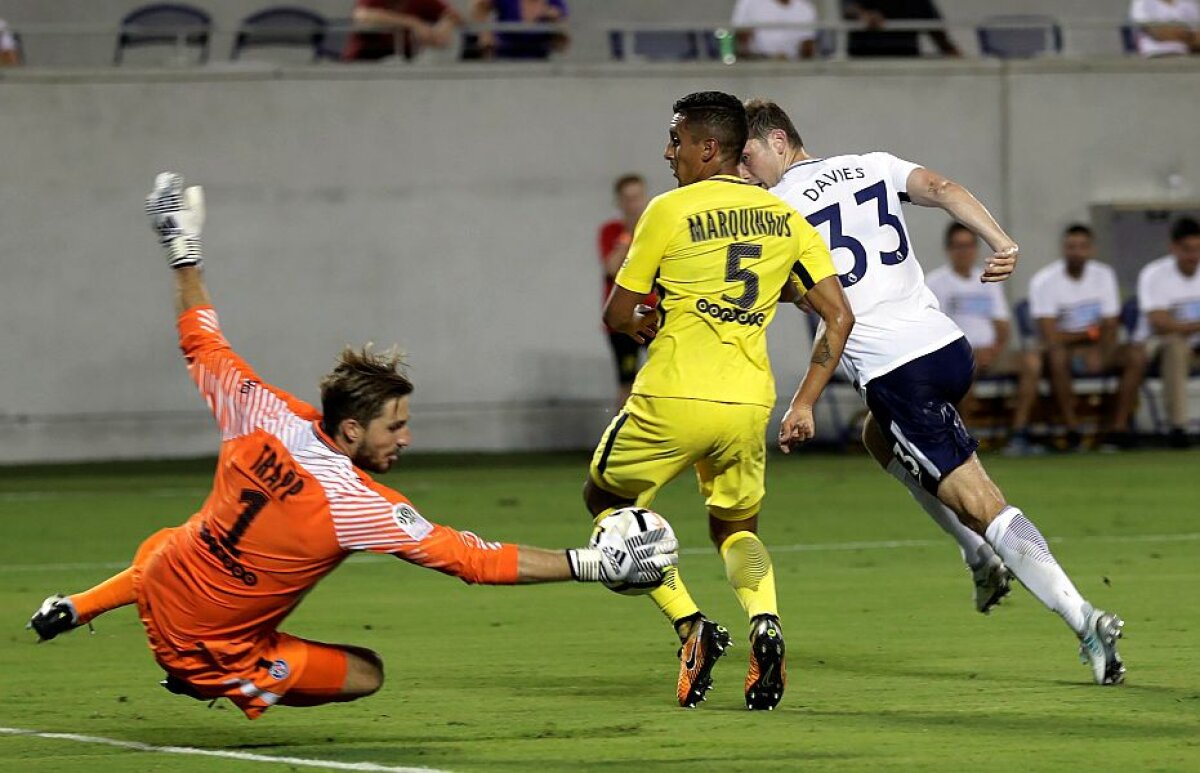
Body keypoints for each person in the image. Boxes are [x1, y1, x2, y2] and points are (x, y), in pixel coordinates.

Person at [26, 173, 678, 719]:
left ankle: (82, 604)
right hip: (210, 645)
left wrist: (183, 250)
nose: (406, 437)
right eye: (394, 427)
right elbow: (471, 559)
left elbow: (200, 336)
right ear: (349, 432)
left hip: (163, 582)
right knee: (366, 672)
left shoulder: (258, 411)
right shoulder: (356, 502)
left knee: (182, 541)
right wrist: (596, 563)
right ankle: (208, 678)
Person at [739, 99, 1125, 685]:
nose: (746, 172)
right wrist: (1002, 241)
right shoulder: (870, 164)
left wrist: (803, 400)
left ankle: (1083, 617)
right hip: (949, 349)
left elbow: (827, 312)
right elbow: (943, 187)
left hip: (900, 371)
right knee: (879, 436)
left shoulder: (777, 209)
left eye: (748, 157)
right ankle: (975, 555)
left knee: (982, 504)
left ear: (776, 140)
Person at [584, 91, 854, 711]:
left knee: (606, 499)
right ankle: (766, 622)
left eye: (676, 140)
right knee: (735, 526)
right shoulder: (784, 217)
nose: (667, 151)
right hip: (748, 403)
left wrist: (646, 321)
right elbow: (837, 314)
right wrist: (804, 401)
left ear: (710, 148)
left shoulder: (667, 210)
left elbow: (617, 312)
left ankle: (691, 624)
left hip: (674, 394)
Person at [1026, 224, 1147, 451]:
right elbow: (1050, 334)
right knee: (1056, 355)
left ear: (1091, 250)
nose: (1077, 252)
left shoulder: (1104, 275)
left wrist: (1099, 347)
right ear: (1064, 249)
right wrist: (1089, 336)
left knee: (1136, 355)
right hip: (1063, 349)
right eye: (1072, 247)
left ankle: (1118, 428)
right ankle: (1072, 428)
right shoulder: (1045, 281)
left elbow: (1111, 324)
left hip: (1099, 347)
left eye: (1083, 247)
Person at [925, 222, 1040, 437]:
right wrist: (968, 353)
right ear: (949, 249)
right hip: (957, 354)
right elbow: (933, 328)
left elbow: (1002, 325)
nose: (964, 252)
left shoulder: (989, 277)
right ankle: (967, 436)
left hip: (991, 353)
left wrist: (993, 350)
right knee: (962, 371)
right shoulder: (935, 282)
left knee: (1031, 363)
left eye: (969, 246)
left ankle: (1019, 430)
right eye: (959, 246)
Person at [1137, 216, 1200, 447]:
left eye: (1198, 249)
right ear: (1173, 247)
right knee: (1175, 346)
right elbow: (1160, 323)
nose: (1194, 256)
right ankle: (1179, 428)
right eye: (1187, 250)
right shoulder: (1155, 275)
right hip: (1157, 347)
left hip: (1195, 348)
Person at [598, 173, 653, 409]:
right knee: (626, 383)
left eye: (638, 197)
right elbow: (611, 268)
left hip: (653, 314)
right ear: (619, 202)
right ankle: (621, 440)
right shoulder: (611, 231)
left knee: (662, 380)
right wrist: (629, 236)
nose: (634, 205)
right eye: (628, 199)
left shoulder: (656, 228)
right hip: (622, 319)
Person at [342, 0, 463, 62]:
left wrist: (446, 25)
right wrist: (412, 23)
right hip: (364, 61)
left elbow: (453, 15)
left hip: (404, 61)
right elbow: (362, 15)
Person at [843, 0, 960, 58]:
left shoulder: (919, 2)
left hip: (905, 63)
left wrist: (964, 61)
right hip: (864, 62)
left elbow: (938, 35)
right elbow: (848, 9)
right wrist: (863, 15)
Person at [467, 0, 568, 60]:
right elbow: (478, 10)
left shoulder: (555, 3)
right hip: (503, 60)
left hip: (538, 64)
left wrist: (556, 26)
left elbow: (562, 46)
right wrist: (485, 34)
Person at [732, 0, 819, 60]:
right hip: (758, 66)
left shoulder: (805, 7)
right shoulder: (749, 2)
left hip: (792, 68)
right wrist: (768, 60)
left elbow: (807, 46)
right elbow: (741, 45)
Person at [1130, 0, 1200, 57]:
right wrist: (1186, 36)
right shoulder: (1142, 2)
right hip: (1154, 55)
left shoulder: (1188, 3)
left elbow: (1196, 36)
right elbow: (1155, 32)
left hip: (1186, 56)